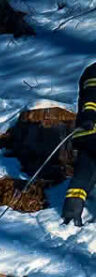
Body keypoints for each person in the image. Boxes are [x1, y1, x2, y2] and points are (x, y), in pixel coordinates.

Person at [63, 62, 96, 227]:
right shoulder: (94, 71)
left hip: (86, 133)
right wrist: (89, 115)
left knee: (85, 173)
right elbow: (91, 95)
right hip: (91, 129)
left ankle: (71, 214)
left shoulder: (91, 70)